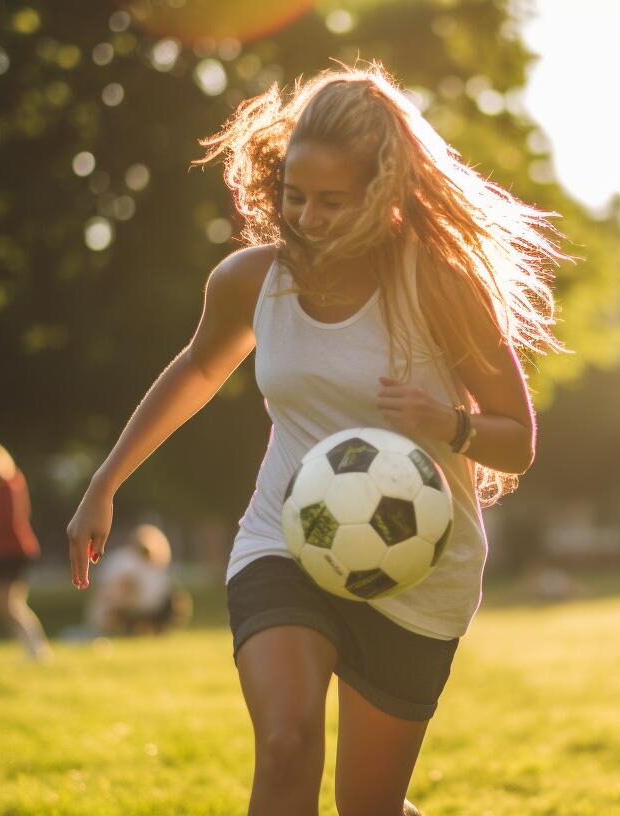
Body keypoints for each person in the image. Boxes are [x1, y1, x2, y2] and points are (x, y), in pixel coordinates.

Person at [64, 63, 564, 816]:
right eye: (294, 195)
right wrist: (105, 484)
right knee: (287, 745)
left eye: (332, 201)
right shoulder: (249, 282)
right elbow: (197, 370)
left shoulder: (438, 285)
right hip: (286, 540)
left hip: (419, 568)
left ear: (384, 193)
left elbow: (517, 441)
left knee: (367, 807)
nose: (307, 217)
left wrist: (447, 423)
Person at [0, 439, 52, 662]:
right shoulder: (6, 485)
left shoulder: (7, 485)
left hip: (11, 550)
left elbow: (5, 520)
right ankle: (32, 650)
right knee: (9, 605)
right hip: (7, 549)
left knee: (8, 605)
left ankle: (36, 649)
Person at [86, 523, 192, 636]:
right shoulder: (126, 562)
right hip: (121, 608)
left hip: (144, 608)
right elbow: (119, 588)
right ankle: (127, 627)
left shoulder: (154, 568)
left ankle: (145, 627)